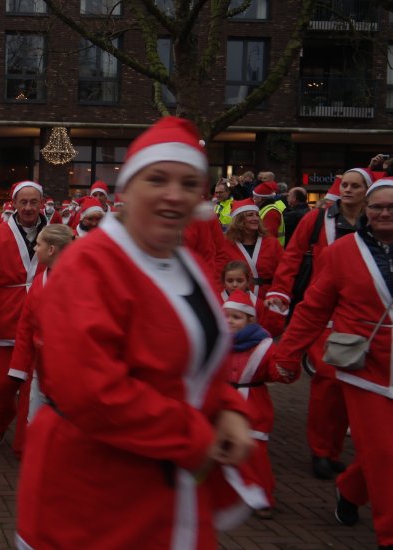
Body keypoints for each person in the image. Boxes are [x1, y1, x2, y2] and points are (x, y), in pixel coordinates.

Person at [17, 116, 261, 549]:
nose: (174, 195)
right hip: (96, 496)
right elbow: (91, 390)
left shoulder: (185, 262)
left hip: (166, 488)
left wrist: (227, 409)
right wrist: (197, 435)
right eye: (157, 179)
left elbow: (201, 359)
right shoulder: (89, 264)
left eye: (189, 183)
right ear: (126, 189)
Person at [274, 178, 393, 549]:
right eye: (377, 207)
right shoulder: (343, 251)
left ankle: (350, 488)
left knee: (380, 453)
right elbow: (314, 308)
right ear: (367, 212)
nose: (384, 213)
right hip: (366, 365)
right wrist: (286, 353)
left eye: (392, 207)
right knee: (384, 452)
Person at [264, 167, 370, 480]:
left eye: (355, 186)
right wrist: (280, 294)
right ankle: (323, 451)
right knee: (327, 381)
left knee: (361, 386)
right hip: (324, 312)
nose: (348, 190)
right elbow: (293, 258)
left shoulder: (377, 222)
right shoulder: (316, 220)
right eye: (345, 185)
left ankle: (350, 452)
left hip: (366, 316)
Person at [0, 180, 47, 456]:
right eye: (22, 202)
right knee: (4, 385)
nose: (28, 208)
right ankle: (0, 420)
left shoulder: (55, 236)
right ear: (12, 204)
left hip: (42, 323)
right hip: (8, 320)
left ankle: (25, 443)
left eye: (33, 202)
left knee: (32, 387)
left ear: (42, 203)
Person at [221, 289, 283, 519]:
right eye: (226, 316)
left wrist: (287, 367)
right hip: (224, 404)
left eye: (236, 317)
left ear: (250, 320)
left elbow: (278, 372)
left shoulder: (264, 346)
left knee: (256, 455)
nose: (230, 322)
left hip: (254, 406)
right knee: (224, 450)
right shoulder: (218, 342)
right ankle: (230, 494)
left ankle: (264, 496)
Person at [6, 224, 74, 424]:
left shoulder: (79, 280)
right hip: (41, 368)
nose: (35, 249)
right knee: (35, 423)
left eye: (38, 244)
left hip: (69, 370)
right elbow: (26, 326)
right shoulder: (39, 282)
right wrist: (19, 368)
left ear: (51, 249)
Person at [220, 199, 282, 301]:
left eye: (257, 215)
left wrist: (278, 295)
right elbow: (219, 274)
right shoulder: (225, 243)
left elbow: (282, 273)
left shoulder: (272, 243)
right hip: (235, 301)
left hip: (267, 299)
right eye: (250, 215)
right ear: (239, 219)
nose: (255, 218)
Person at [252, 180, 286, 245]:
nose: (253, 199)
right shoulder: (266, 209)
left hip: (271, 252)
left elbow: (268, 237)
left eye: (255, 197)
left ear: (260, 199)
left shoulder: (271, 213)